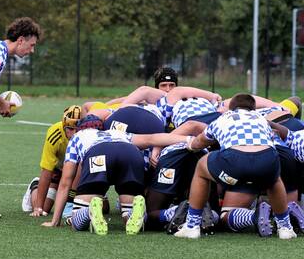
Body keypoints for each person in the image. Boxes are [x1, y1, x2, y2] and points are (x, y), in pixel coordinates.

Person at [41, 115, 191, 235]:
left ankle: (89, 210)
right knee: (129, 214)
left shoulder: (77, 137)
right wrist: (188, 139)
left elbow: (65, 182)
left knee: (76, 221)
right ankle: (133, 212)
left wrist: (55, 220)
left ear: (80, 128)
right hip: (130, 153)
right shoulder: (117, 132)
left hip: (98, 153)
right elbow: (151, 138)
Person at [175, 93, 296, 240]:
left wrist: (191, 146)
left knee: (201, 167)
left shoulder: (223, 118)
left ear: (230, 108)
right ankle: (285, 227)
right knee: (274, 180)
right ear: (253, 109)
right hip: (267, 158)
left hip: (235, 161)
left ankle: (192, 225)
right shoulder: (261, 119)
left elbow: (200, 141)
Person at [0, 17, 41, 222]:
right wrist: (0, 102)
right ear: (20, 40)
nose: (32, 50)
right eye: (31, 45)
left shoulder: (0, 51)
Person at [22, 105, 82, 217]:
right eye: (70, 128)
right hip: (59, 170)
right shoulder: (55, 134)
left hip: (78, 174)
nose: (74, 133)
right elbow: (47, 170)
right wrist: (38, 208)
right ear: (64, 126)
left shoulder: (88, 135)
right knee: (44, 208)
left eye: (77, 129)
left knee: (105, 207)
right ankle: (35, 185)